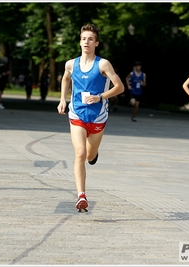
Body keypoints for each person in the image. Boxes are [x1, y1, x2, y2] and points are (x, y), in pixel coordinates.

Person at [57, 24, 124, 212]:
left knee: (89, 155)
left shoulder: (103, 64)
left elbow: (119, 87)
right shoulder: (71, 64)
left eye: (91, 39)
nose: (87, 42)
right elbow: (65, 78)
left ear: (96, 43)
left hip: (97, 117)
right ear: (80, 41)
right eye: (84, 38)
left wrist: (100, 97)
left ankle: (93, 155)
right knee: (79, 153)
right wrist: (63, 99)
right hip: (77, 113)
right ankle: (81, 196)